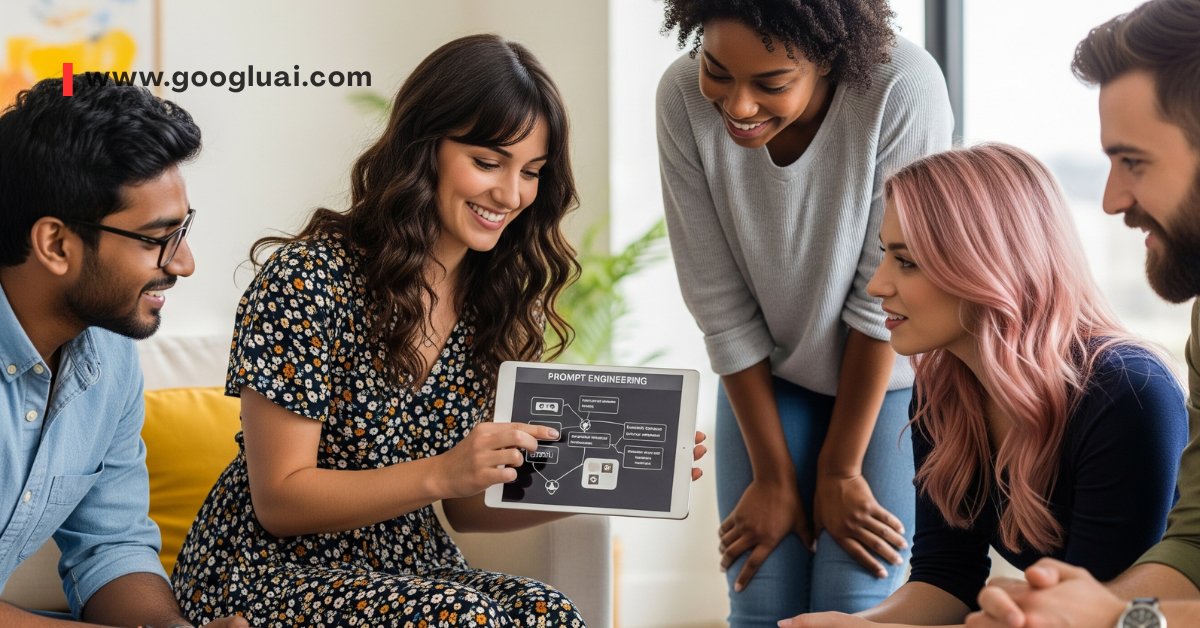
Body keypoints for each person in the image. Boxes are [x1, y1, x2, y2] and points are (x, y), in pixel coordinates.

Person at [170, 34, 704, 627]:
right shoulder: (307, 279)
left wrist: (619, 483)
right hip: (264, 571)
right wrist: (442, 470)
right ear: (423, 148)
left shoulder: (491, 302)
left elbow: (467, 507)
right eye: (487, 162)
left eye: (531, 172)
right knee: (461, 615)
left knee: (546, 611)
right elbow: (280, 499)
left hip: (407, 568)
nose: (510, 194)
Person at [778, 143, 1188, 628]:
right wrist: (861, 625)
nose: (876, 285)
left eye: (906, 262)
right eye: (885, 255)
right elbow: (946, 578)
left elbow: (1086, 615)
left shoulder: (1127, 393)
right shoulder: (943, 390)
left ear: (985, 265)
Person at [656, 0, 954, 622]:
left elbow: (882, 298)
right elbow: (719, 303)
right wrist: (771, 476)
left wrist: (840, 471)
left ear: (829, 59)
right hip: (766, 374)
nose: (739, 105)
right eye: (717, 71)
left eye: (771, 84)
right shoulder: (681, 96)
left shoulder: (901, 86)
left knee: (855, 601)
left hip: (889, 376)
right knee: (759, 596)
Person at [962, 1, 1200, 627]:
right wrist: (1062, 609)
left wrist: (1124, 619)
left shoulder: (1124, 385)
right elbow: (1195, 543)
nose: (1112, 200)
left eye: (1134, 162)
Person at [0, 74, 244, 627]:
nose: (184, 263)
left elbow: (110, 547)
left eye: (183, 230)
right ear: (56, 244)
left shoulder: (109, 354)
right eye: (158, 238)